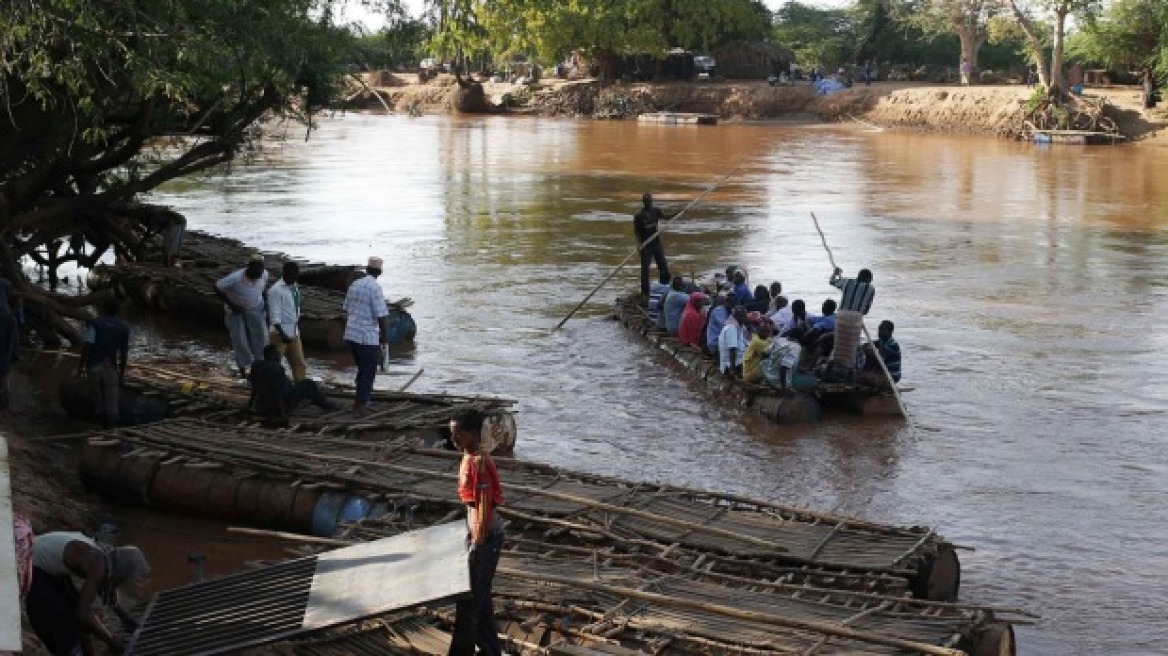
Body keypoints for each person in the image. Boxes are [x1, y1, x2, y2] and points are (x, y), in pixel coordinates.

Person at [25, 531, 149, 655]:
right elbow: (83, 614)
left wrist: (127, 620)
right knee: (64, 623)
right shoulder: (96, 564)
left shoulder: (108, 557)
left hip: (49, 561)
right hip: (31, 563)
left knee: (78, 612)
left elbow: (108, 594)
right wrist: (112, 641)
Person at [448, 408, 505, 656]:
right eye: (452, 434)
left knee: (471, 600)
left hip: (487, 536)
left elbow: (483, 504)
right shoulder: (467, 456)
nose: (454, 439)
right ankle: (490, 650)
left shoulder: (479, 462)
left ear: (471, 434)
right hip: (478, 533)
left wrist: (478, 542)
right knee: (478, 599)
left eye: (458, 434)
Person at [343, 256, 391, 416]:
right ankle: (360, 406)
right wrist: (385, 337)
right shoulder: (375, 287)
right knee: (368, 370)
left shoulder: (354, 284)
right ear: (380, 272)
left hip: (351, 334)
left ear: (367, 269)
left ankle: (359, 401)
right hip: (366, 336)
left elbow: (347, 308)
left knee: (362, 369)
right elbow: (382, 315)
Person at [248, 345, 339, 421]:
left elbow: (255, 387)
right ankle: (326, 405)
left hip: (262, 405)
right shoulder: (277, 368)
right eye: (278, 354)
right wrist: (282, 414)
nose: (280, 356)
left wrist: (249, 405)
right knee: (309, 384)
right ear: (273, 355)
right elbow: (277, 392)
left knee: (304, 385)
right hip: (279, 405)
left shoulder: (256, 365)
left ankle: (323, 403)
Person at [214, 254, 269, 379]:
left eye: (261, 268)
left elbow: (262, 289)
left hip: (256, 308)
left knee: (260, 338)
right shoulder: (235, 278)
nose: (260, 272)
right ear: (249, 267)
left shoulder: (264, 274)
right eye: (257, 268)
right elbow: (217, 286)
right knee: (240, 339)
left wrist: (266, 303)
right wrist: (231, 305)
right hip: (236, 311)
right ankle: (244, 371)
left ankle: (260, 368)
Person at [77, 298, 129, 428]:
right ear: (118, 311)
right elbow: (123, 354)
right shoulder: (123, 328)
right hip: (110, 367)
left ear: (104, 308)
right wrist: (121, 374)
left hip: (94, 366)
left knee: (96, 399)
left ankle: (98, 423)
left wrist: (80, 368)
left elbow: (87, 346)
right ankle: (111, 426)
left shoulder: (95, 324)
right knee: (112, 401)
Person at [829, 267, 874, 372]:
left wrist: (835, 273)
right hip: (855, 318)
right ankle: (849, 369)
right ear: (868, 279)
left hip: (841, 316)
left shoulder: (847, 282)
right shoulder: (870, 288)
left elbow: (832, 281)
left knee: (840, 343)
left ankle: (836, 363)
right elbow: (866, 310)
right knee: (851, 345)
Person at [268, 261, 306, 381]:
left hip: (294, 333)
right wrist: (282, 334)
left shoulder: (294, 287)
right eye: (291, 274)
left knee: (299, 363)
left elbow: (295, 308)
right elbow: (274, 315)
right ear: (284, 273)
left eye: (296, 274)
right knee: (275, 365)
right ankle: (272, 390)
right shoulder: (276, 290)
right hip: (279, 334)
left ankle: (301, 389)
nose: (294, 276)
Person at [633, 193, 675, 295]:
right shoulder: (639, 215)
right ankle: (645, 292)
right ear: (644, 202)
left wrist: (676, 214)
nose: (649, 203)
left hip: (656, 243)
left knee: (663, 266)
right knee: (645, 270)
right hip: (646, 245)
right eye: (647, 201)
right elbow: (636, 231)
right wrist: (639, 244)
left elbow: (665, 217)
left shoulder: (656, 211)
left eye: (650, 201)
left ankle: (664, 286)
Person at [859, 320, 902, 387]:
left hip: (890, 377)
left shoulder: (892, 345)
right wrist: (862, 347)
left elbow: (880, 359)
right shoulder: (881, 342)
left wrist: (868, 351)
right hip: (882, 372)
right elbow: (869, 344)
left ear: (890, 332)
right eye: (879, 329)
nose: (879, 332)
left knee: (862, 377)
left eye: (882, 330)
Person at [0, 285, 17, 416]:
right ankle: (4, 409)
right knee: (4, 383)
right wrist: (14, 355)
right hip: (3, 354)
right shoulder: (8, 312)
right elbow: (14, 338)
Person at [718, 307, 749, 378]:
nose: (745, 318)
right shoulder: (731, 328)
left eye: (745, 315)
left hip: (739, 360)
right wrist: (732, 369)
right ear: (736, 317)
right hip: (732, 364)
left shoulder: (739, 327)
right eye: (742, 316)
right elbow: (732, 349)